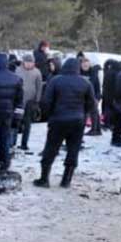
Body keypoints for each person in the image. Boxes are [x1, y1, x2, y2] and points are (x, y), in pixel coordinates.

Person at [34, 58, 96, 189]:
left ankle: (44, 179)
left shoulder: (56, 80)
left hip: (58, 119)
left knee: (51, 148)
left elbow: (46, 101)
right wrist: (83, 114)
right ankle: (66, 180)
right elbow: (92, 103)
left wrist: (50, 115)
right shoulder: (85, 83)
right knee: (73, 149)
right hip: (78, 121)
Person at [15, 54, 42, 151]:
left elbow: (39, 87)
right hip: (18, 101)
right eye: (28, 62)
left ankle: (24, 143)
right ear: (24, 62)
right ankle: (12, 142)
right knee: (16, 122)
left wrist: (37, 100)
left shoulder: (37, 72)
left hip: (30, 102)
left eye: (31, 62)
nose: (29, 64)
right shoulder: (18, 71)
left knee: (27, 123)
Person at [81, 57, 102, 136]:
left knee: (94, 113)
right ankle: (81, 130)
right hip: (81, 97)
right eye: (83, 63)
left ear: (89, 64)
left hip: (92, 96)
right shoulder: (78, 72)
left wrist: (98, 97)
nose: (85, 65)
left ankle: (96, 130)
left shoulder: (93, 73)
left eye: (86, 63)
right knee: (83, 114)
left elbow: (97, 86)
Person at [102, 59, 121, 129]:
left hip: (106, 93)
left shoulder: (107, 72)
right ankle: (111, 123)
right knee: (112, 109)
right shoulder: (117, 73)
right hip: (113, 94)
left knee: (107, 109)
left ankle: (106, 122)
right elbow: (116, 85)